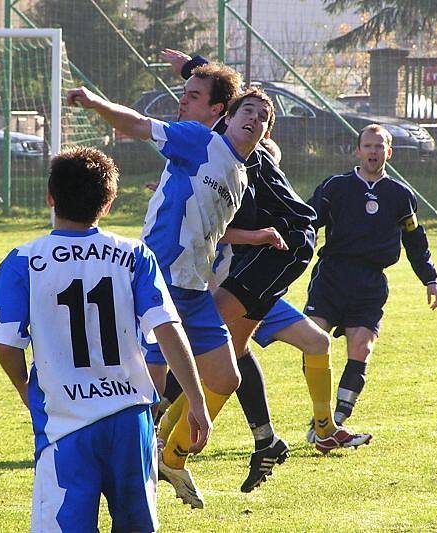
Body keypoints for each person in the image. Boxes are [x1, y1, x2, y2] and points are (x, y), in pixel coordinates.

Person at [155, 49, 371, 494]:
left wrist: (193, 66)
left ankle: (172, 447)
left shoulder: (230, 142)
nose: (184, 104)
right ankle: (187, 444)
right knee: (225, 348)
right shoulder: (219, 149)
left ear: (217, 111)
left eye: (192, 97)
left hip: (283, 249)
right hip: (263, 253)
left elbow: (231, 97)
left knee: (210, 339)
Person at [0, 146, 211, 532]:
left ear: (50, 197)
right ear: (109, 202)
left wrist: (25, 389)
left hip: (66, 423)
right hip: (129, 418)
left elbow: (7, 343)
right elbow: (167, 328)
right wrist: (197, 400)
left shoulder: (23, 259)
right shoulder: (134, 254)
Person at [68, 79, 274, 509]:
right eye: (247, 111)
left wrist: (253, 237)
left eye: (262, 117)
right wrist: (94, 101)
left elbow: (213, 230)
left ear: (265, 134)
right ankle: (130, 470)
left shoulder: (239, 175)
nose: (253, 119)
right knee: (151, 387)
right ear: (227, 118)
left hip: (196, 288)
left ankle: (166, 457)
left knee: (225, 378)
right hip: (159, 275)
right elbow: (141, 125)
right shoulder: (199, 140)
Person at [303, 124, 437, 449]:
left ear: (388, 153)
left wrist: (431, 279)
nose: (373, 152)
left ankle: (333, 422)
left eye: (379, 147)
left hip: (370, 282)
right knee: (312, 341)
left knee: (362, 349)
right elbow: (308, 222)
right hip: (331, 276)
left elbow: (415, 240)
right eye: (367, 146)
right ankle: (323, 417)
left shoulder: (400, 195)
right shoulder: (335, 187)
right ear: (357, 150)